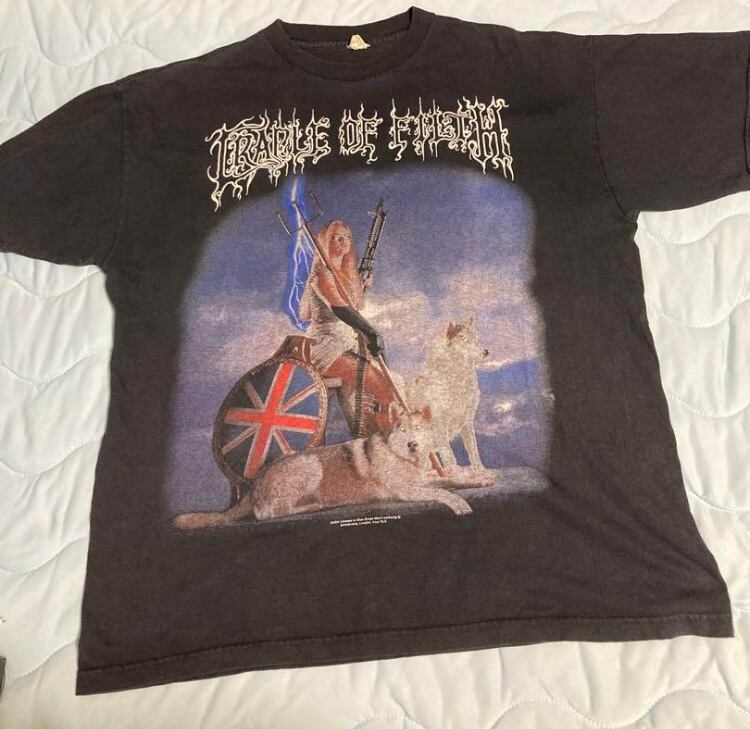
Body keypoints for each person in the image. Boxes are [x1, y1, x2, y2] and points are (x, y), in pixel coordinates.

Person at [298, 219, 396, 434]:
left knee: (384, 386)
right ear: (325, 241)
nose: (342, 241)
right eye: (336, 237)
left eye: (346, 237)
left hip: (347, 343)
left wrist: (359, 285)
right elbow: (340, 308)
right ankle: (381, 440)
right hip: (327, 347)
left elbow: (356, 306)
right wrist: (371, 332)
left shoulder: (344, 274)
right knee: (381, 385)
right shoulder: (322, 274)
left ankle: (375, 439)